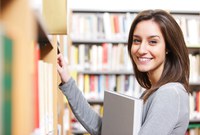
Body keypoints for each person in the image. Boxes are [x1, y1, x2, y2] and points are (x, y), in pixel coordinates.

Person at [57, 9, 190, 135]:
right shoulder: (152, 92)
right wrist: (67, 80)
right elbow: (105, 130)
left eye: (153, 42)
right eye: (137, 40)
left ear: (168, 47)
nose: (142, 49)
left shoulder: (170, 93)